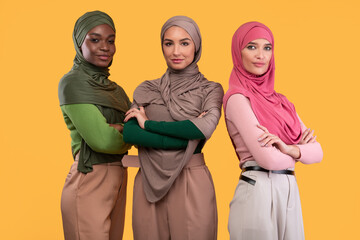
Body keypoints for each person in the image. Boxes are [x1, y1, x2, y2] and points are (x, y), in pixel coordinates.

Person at [122, 16, 223, 240]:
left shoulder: (210, 89)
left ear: (196, 45)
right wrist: (186, 135)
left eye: (184, 43)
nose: (176, 51)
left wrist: (147, 124)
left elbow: (203, 129)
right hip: (148, 180)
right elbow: (129, 133)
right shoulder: (147, 88)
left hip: (191, 181)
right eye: (169, 43)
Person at [223, 21, 323, 240]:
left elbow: (318, 152)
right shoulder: (237, 98)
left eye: (267, 47)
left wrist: (286, 148)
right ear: (238, 52)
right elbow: (268, 159)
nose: (261, 55)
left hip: (289, 189)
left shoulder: (281, 102)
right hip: (258, 188)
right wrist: (299, 151)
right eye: (251, 47)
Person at [58, 11, 131, 240]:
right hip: (90, 179)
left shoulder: (116, 90)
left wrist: (120, 129)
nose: (105, 47)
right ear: (80, 42)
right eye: (95, 39)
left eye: (111, 40)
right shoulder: (72, 83)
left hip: (120, 176)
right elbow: (103, 140)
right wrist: (124, 130)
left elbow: (137, 127)